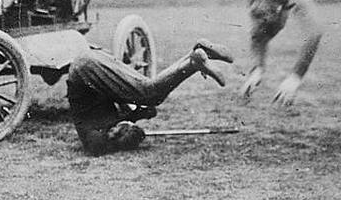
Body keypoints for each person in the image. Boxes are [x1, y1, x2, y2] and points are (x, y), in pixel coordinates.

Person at [67, 40, 233, 155]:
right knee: (149, 87)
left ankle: (193, 64)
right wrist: (138, 115)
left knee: (151, 94)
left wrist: (134, 120)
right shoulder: (105, 125)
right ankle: (197, 51)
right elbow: (116, 116)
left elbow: (99, 142)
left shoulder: (96, 142)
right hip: (90, 63)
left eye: (120, 130)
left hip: (85, 71)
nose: (121, 127)